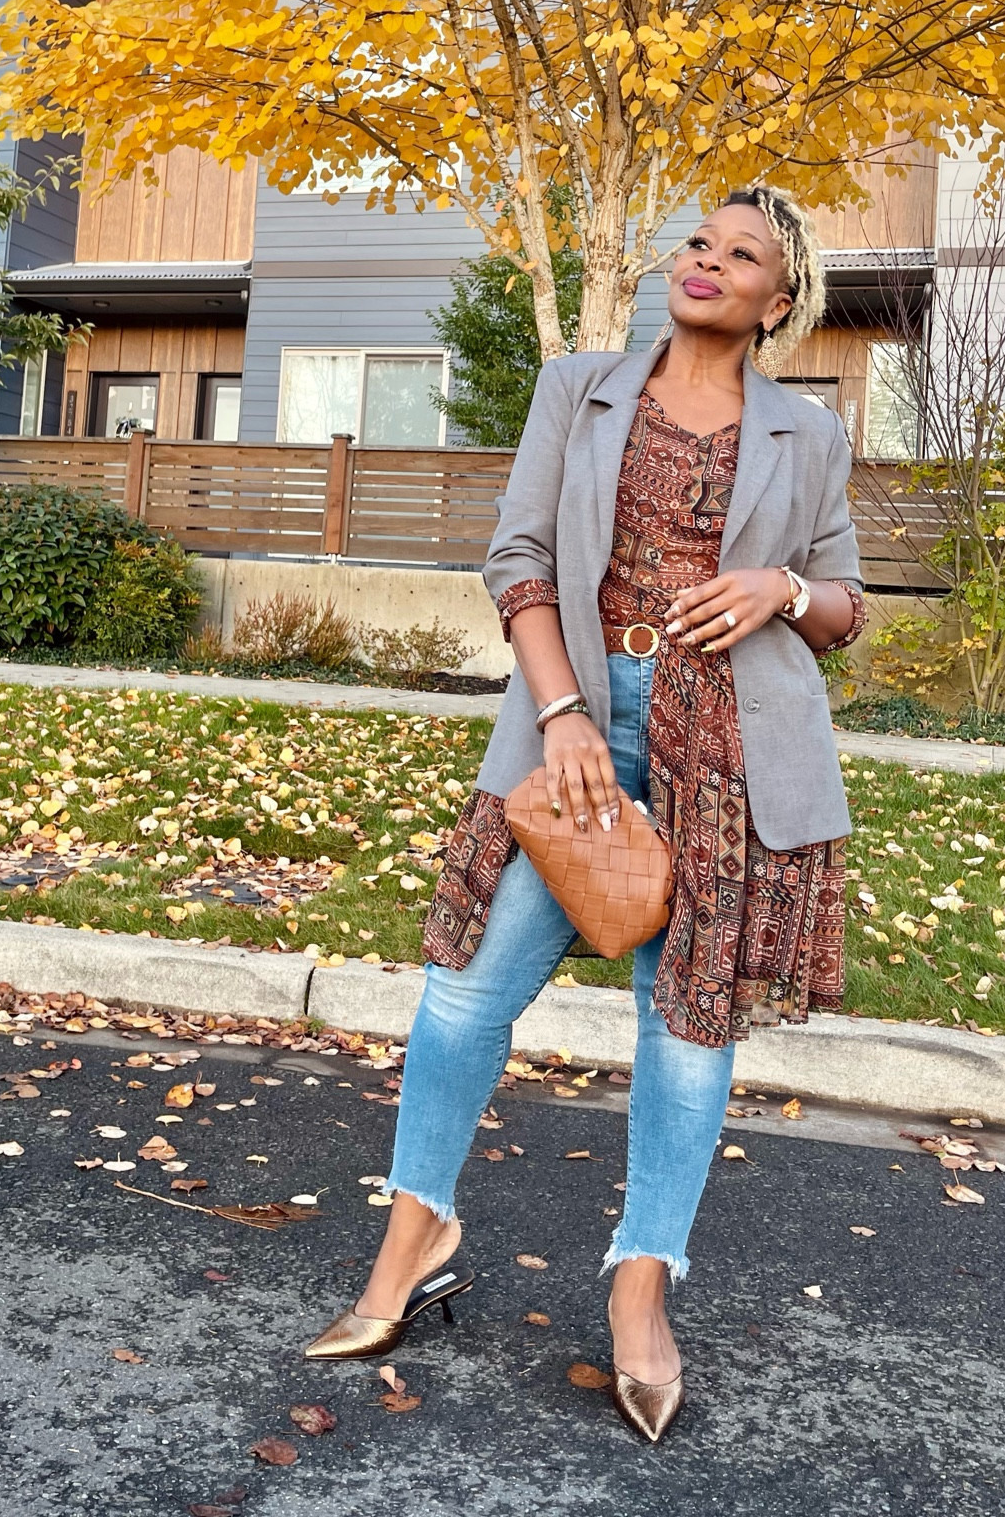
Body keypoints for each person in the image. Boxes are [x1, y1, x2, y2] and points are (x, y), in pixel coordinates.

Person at [303, 186, 866, 1442]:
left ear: (781, 299)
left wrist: (781, 587)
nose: (708, 262)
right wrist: (563, 716)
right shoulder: (580, 388)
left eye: (743, 255)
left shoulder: (807, 436)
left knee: (686, 1027)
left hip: (731, 752)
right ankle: (415, 1236)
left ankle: (638, 1288)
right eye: (699, 243)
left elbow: (845, 603)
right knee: (465, 996)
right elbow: (517, 559)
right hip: (581, 723)